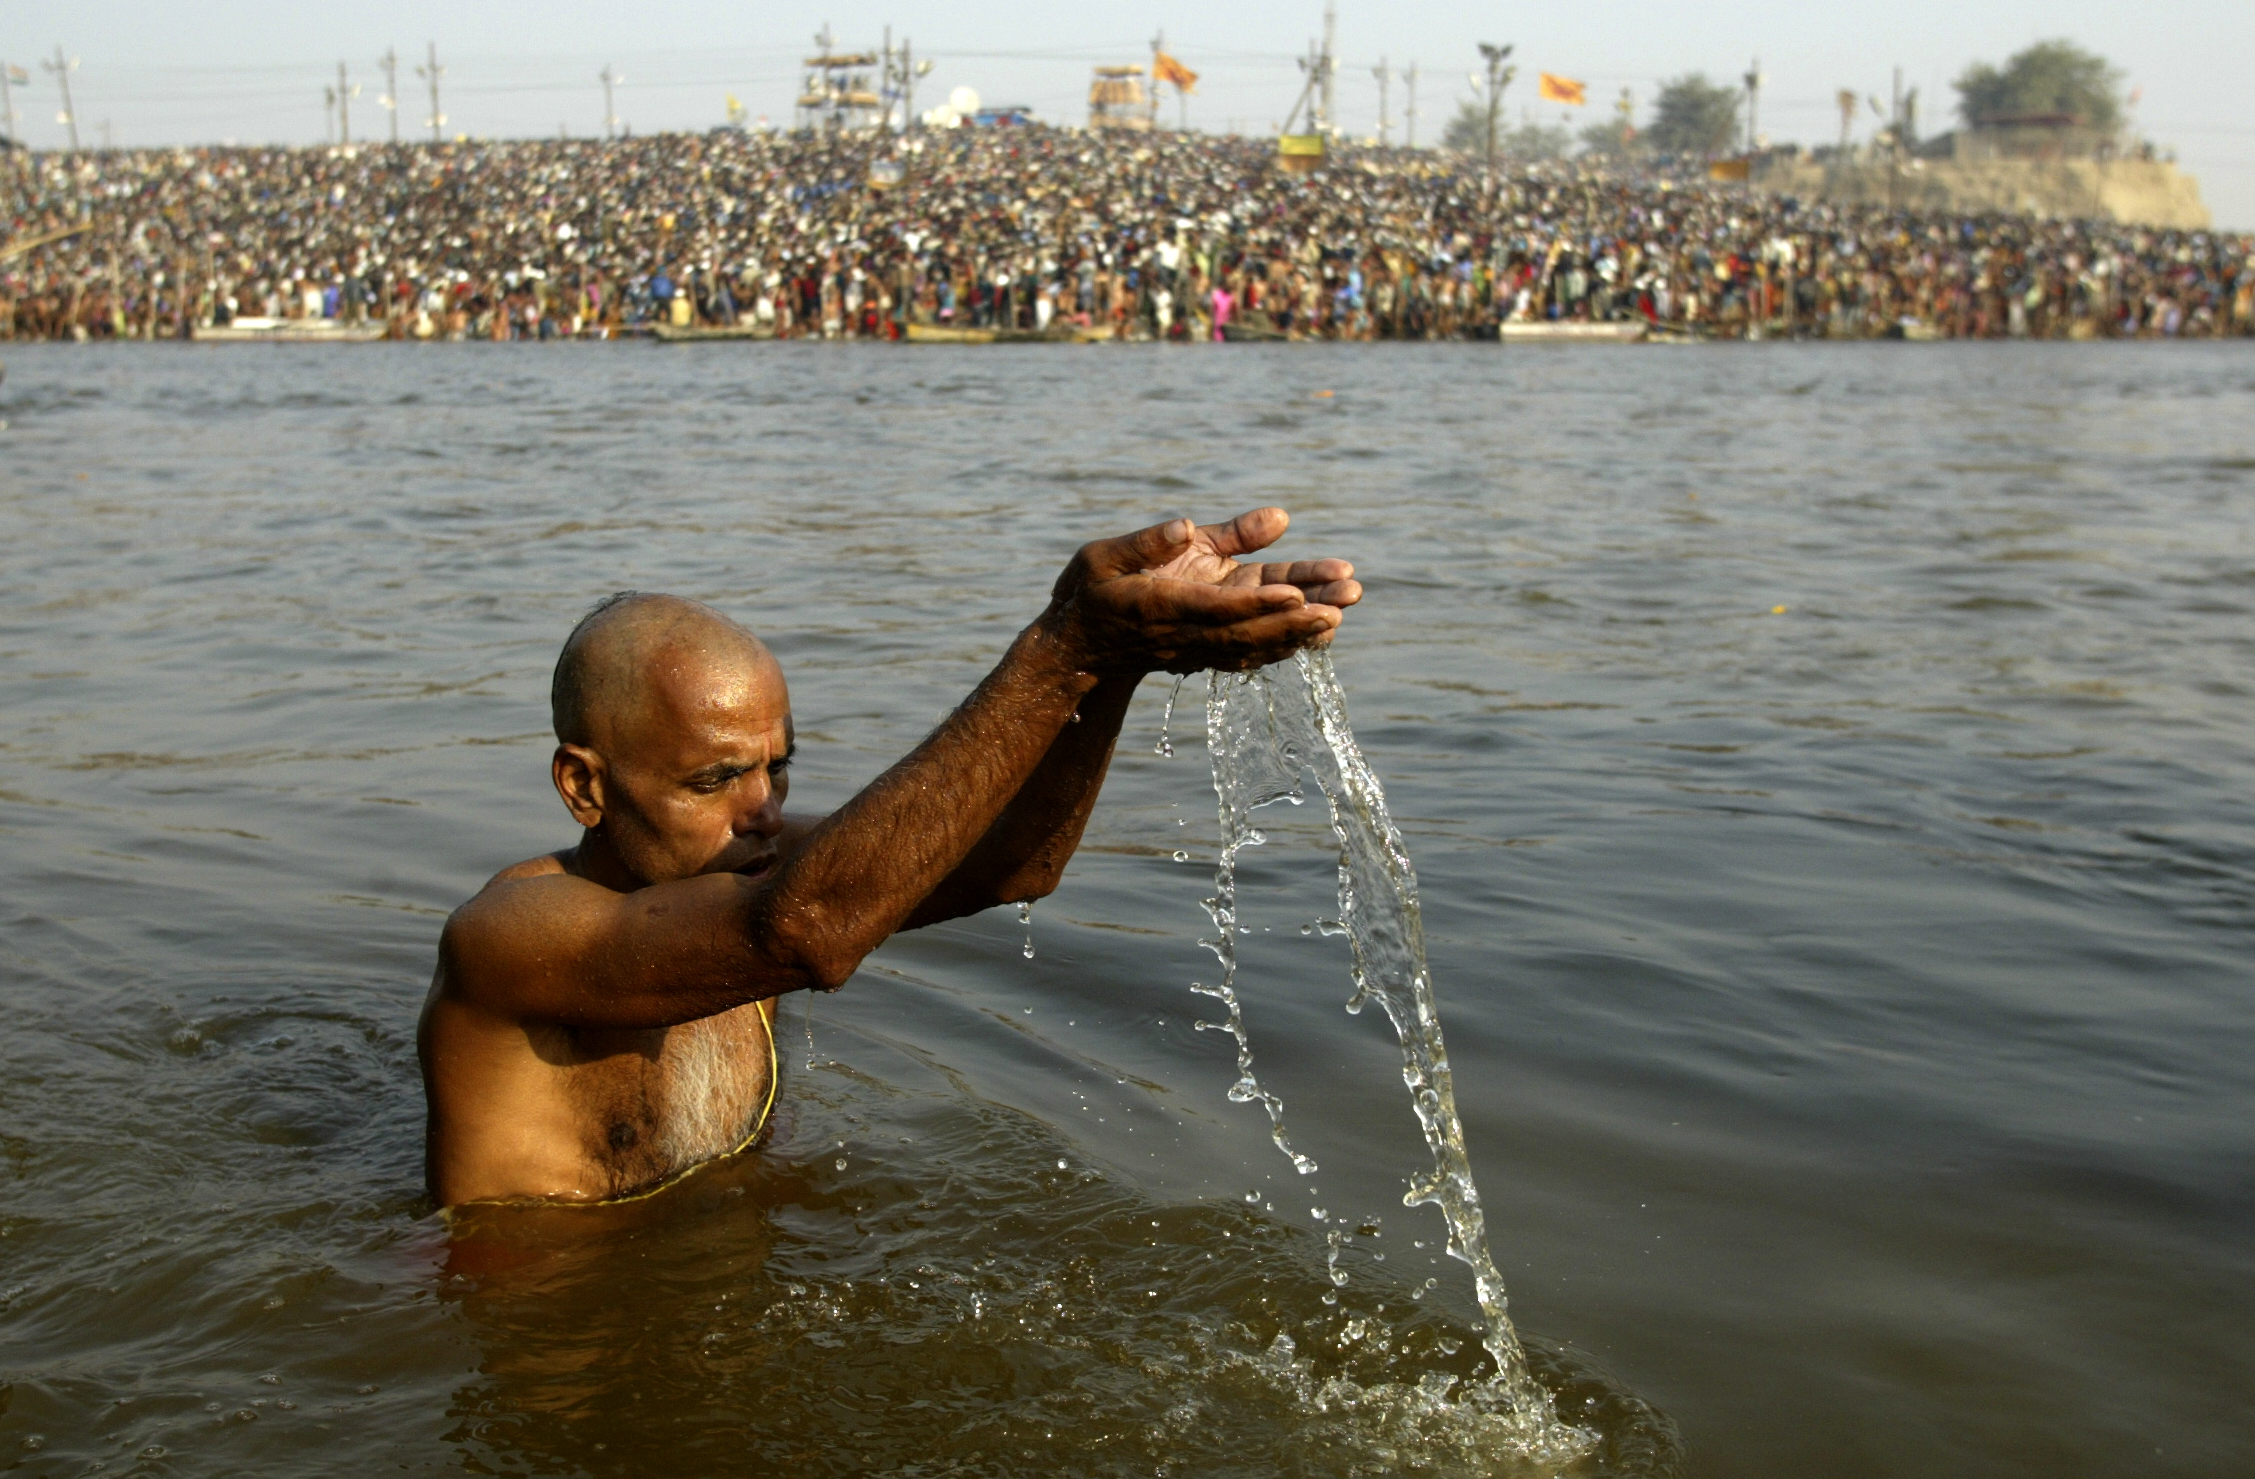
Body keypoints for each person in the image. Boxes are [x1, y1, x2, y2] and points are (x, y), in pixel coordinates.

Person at [418, 509, 1361, 1208]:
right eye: (711, 780)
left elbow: (1011, 866)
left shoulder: (748, 865)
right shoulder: (511, 939)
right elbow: (809, 931)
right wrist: (1061, 647)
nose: (763, 812)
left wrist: (1110, 660)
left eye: (776, 771)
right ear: (584, 787)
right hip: (552, 1358)